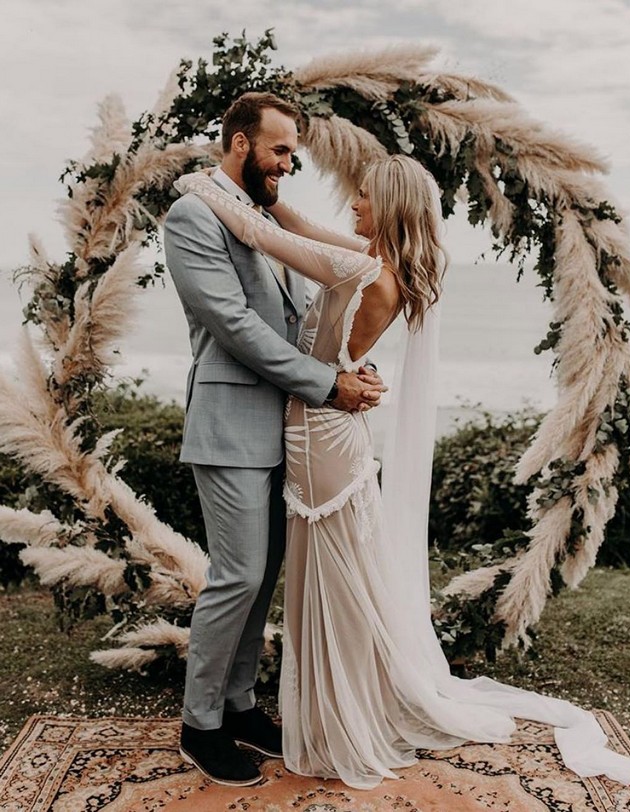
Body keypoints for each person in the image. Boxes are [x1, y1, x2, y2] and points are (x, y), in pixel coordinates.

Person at [174, 153, 630, 790]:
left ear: (390, 206)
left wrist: (196, 182)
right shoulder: (379, 263)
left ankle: (336, 715)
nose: (354, 206)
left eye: (365, 197)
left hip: (319, 436)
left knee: (328, 583)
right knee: (335, 577)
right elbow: (295, 219)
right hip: (335, 433)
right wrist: (251, 191)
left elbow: (263, 234)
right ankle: (316, 706)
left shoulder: (359, 266)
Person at [163, 91, 386, 788]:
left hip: (286, 428)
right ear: (239, 143)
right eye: (281, 149)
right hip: (230, 424)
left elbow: (298, 315)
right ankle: (200, 727)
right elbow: (234, 325)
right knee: (237, 576)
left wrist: (350, 365)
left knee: (262, 581)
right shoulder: (192, 215)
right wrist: (327, 385)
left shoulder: (258, 213)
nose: (291, 163)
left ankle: (238, 705)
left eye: (292, 151)